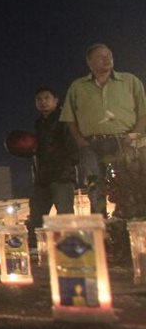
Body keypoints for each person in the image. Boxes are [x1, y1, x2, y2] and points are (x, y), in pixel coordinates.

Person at [59, 44, 146, 215]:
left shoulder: (129, 81)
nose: (107, 59)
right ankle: (101, 224)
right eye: (101, 56)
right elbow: (69, 117)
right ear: (89, 62)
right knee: (94, 185)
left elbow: (143, 113)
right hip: (92, 144)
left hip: (125, 141)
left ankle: (131, 220)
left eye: (109, 55)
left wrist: (133, 137)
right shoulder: (78, 87)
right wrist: (80, 140)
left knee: (131, 184)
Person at [26, 87, 76, 245]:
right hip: (42, 177)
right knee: (36, 216)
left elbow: (73, 145)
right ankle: (36, 248)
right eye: (39, 99)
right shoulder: (38, 123)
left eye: (47, 98)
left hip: (62, 175)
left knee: (65, 215)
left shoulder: (65, 120)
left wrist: (72, 163)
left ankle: (70, 248)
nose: (43, 102)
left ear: (56, 100)